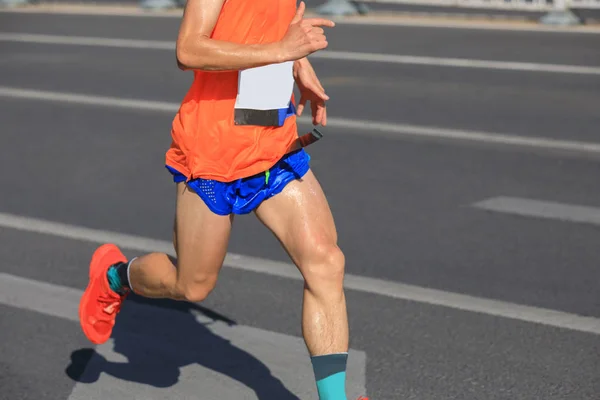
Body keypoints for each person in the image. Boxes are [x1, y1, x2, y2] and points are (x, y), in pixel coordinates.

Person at [79, 0, 367, 399]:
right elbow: (189, 50)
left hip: (272, 145)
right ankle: (115, 276)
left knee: (325, 261)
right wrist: (282, 51)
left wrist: (298, 64)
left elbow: (275, 23)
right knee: (191, 287)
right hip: (211, 155)